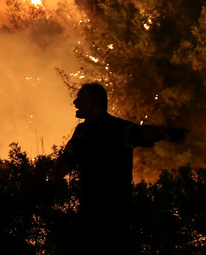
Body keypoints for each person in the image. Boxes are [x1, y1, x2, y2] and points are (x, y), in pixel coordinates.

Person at [53, 83, 188, 254]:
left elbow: (140, 134)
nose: (75, 102)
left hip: (115, 215)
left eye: (81, 98)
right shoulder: (83, 130)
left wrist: (165, 133)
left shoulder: (118, 128)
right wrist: (54, 183)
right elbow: (68, 158)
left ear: (94, 101)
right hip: (90, 213)